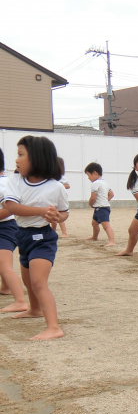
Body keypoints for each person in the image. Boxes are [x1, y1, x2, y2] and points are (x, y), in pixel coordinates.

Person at [1, 136, 69, 340]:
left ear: (38, 158)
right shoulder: (14, 181)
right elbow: (10, 207)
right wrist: (40, 211)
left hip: (43, 237)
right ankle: (35, 309)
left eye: (21, 155)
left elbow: (64, 212)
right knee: (28, 281)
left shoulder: (56, 187)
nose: (16, 160)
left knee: (39, 282)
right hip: (22, 235)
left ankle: (54, 327)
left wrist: (58, 216)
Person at [0, 148, 28, 313]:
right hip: (9, 226)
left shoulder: (3, 184)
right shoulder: (7, 181)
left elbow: (11, 209)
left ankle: (20, 301)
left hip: (5, 227)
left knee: (4, 265)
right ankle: (5, 287)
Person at [84, 162, 115, 246]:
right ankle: (94, 237)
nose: (88, 178)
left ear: (94, 172)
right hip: (101, 207)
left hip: (101, 208)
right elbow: (111, 194)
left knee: (106, 225)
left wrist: (90, 203)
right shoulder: (104, 182)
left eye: (88, 175)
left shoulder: (95, 183)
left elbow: (93, 197)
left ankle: (112, 241)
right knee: (94, 223)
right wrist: (105, 200)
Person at [50, 157, 70, 237]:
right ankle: (53, 231)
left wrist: (59, 186)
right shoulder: (49, 177)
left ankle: (64, 233)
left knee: (59, 215)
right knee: (53, 216)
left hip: (59, 198)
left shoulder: (61, 177)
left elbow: (68, 185)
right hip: (52, 198)